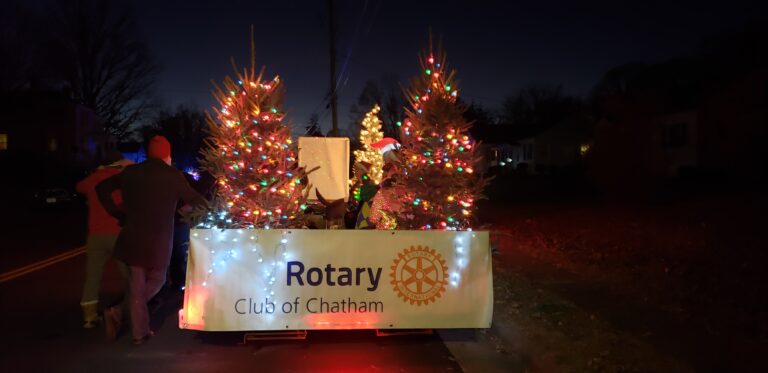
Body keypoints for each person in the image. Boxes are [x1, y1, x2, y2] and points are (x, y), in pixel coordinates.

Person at [96, 136, 206, 345]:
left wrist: (117, 213)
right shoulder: (172, 175)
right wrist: (181, 212)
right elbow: (197, 200)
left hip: (132, 237)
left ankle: (126, 320)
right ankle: (135, 328)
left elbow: (101, 189)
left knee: (137, 285)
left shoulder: (131, 172)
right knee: (158, 280)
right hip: (159, 239)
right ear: (167, 155)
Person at [75, 151, 133, 328]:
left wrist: (97, 172)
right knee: (129, 274)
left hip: (95, 236)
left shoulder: (93, 179)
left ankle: (89, 316)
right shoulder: (121, 179)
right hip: (118, 234)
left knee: (93, 276)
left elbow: (80, 187)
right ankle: (130, 309)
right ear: (119, 163)